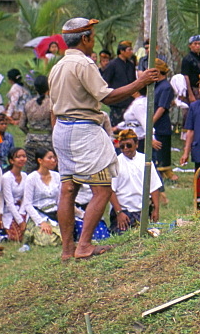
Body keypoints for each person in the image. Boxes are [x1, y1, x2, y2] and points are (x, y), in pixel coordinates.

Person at [49, 17, 159, 261]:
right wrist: (139, 82)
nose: (94, 40)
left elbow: (52, 107)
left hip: (62, 129)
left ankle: (67, 250)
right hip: (83, 131)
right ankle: (84, 245)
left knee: (68, 189)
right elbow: (107, 96)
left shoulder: (57, 66)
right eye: (93, 35)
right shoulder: (84, 64)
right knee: (102, 190)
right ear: (85, 38)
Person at [108, 130, 163, 234]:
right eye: (122, 146)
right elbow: (111, 190)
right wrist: (119, 213)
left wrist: (156, 209)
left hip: (143, 210)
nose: (125, 149)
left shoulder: (145, 160)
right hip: (123, 211)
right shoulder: (115, 163)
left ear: (136, 144)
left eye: (129, 145)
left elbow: (154, 186)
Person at [23, 148, 61, 246]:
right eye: (50, 158)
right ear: (40, 160)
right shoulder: (31, 178)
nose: (53, 160)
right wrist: (41, 222)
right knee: (47, 240)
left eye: (54, 157)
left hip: (55, 214)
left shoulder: (57, 176)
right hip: (39, 214)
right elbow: (27, 204)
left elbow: (60, 200)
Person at [148, 59, 176, 179]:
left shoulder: (166, 87)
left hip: (160, 124)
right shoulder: (155, 85)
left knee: (161, 151)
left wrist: (151, 123)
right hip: (154, 122)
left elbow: (162, 107)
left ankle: (163, 172)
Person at [21, 74, 55, 164]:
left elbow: (21, 125)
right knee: (49, 168)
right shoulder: (52, 103)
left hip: (31, 141)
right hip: (48, 141)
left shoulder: (28, 104)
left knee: (31, 168)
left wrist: (30, 133)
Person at [101, 41, 137, 126]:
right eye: (129, 50)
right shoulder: (112, 65)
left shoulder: (130, 65)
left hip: (129, 102)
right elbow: (105, 81)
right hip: (117, 103)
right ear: (122, 51)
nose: (131, 52)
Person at [1, 147, 28, 243]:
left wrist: (22, 214)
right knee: (16, 237)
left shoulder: (25, 176)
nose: (22, 159)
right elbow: (9, 202)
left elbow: (26, 198)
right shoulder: (6, 177)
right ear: (11, 161)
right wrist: (20, 220)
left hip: (23, 210)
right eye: (18, 157)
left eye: (24, 156)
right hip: (9, 211)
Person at [180, 35, 200, 103]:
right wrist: (190, 94)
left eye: (199, 44)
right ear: (190, 45)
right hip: (194, 88)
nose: (197, 46)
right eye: (195, 44)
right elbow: (186, 77)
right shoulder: (187, 59)